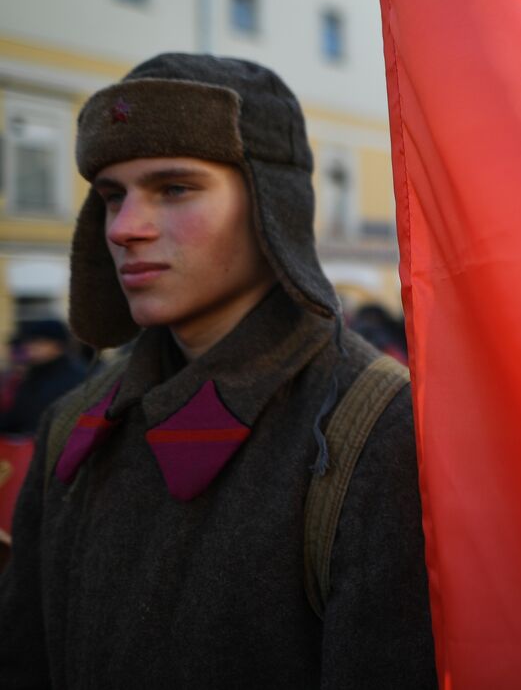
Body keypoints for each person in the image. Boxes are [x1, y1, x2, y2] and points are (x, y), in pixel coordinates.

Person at [0, 54, 436, 688]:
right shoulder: (71, 426)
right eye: (112, 195)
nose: (124, 228)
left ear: (271, 207)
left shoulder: (380, 437)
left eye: (174, 188)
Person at [0, 320, 85, 436]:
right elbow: (16, 416)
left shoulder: (76, 377)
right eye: (29, 342)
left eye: (39, 342)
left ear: (58, 345)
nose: (31, 347)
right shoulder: (32, 375)